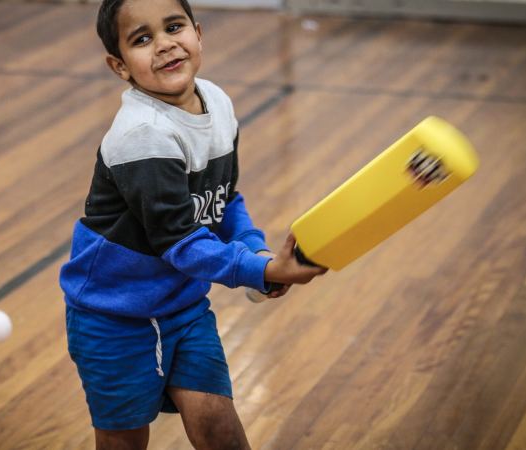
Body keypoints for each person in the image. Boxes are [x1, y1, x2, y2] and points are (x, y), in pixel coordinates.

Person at [59, 0, 326, 448]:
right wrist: (259, 271)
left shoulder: (216, 102)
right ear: (119, 66)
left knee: (218, 422)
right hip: (113, 317)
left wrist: (254, 250)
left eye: (174, 27)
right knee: (124, 440)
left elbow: (222, 200)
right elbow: (180, 241)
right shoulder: (142, 134)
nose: (164, 45)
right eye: (141, 39)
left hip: (182, 306)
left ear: (198, 33)